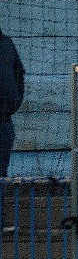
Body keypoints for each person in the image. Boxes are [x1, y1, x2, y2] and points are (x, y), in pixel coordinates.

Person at [0, 28, 25, 177]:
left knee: (1, 175)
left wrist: (15, 102)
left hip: (3, 123)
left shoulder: (6, 43)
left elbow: (19, 73)